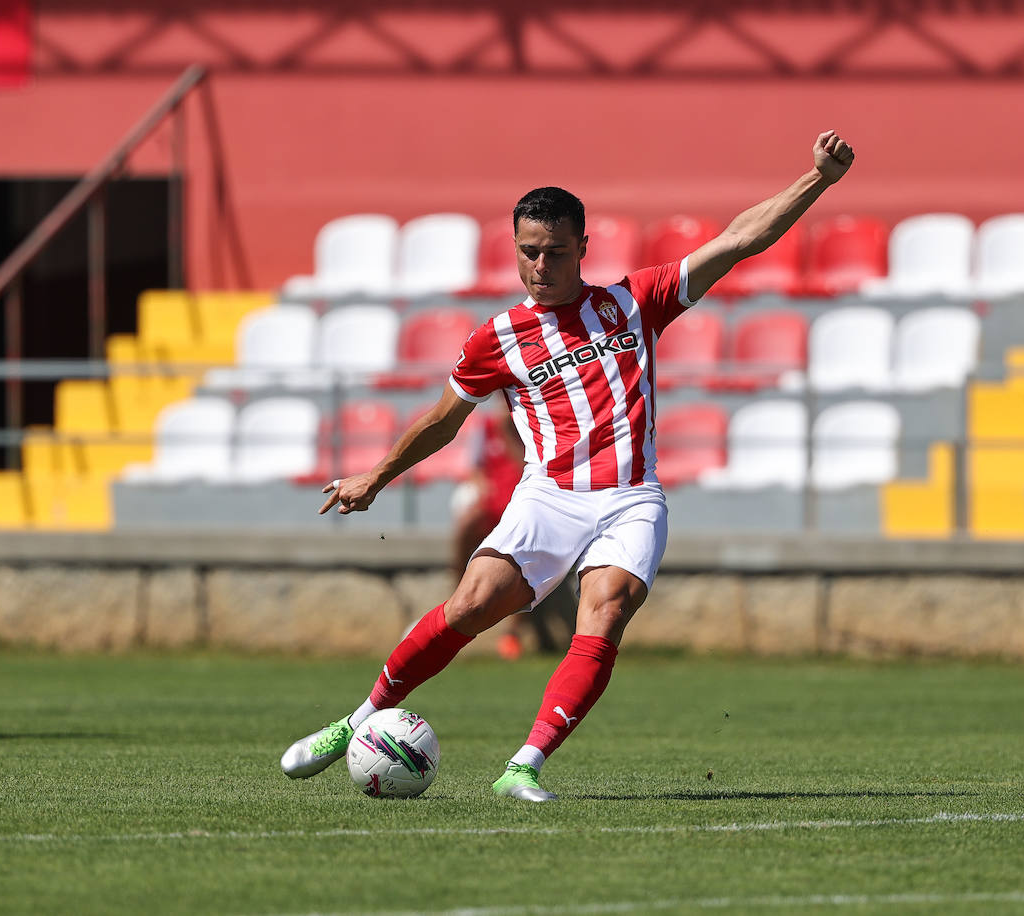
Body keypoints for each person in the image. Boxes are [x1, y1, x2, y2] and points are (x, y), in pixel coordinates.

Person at [280, 129, 856, 801]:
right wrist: (375, 477)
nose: (540, 266)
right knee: (470, 603)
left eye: (555, 252)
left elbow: (738, 240)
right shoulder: (495, 340)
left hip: (629, 498)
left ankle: (523, 766)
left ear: (583, 248)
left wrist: (818, 179)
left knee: (604, 609)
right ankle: (355, 723)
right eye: (528, 253)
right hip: (547, 496)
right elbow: (443, 419)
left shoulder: (633, 302)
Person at [451, 394, 576, 659]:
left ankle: (512, 633)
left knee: (521, 561)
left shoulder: (533, 426)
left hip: (525, 500)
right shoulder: (483, 427)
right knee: (466, 527)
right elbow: (473, 468)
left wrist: (509, 434)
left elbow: (532, 470)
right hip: (494, 498)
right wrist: (481, 488)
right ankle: (456, 599)